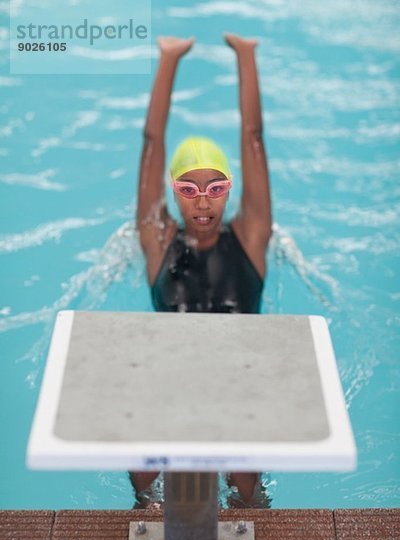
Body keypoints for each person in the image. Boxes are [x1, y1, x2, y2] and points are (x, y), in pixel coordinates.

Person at [130, 33, 272, 508]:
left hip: (239, 383)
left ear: (230, 190)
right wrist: (168, 61)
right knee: (141, 469)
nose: (204, 199)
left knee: (246, 477)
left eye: (215, 187)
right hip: (171, 379)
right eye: (189, 189)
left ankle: (251, 511)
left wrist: (246, 57)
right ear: (173, 191)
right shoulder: (158, 238)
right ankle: (144, 513)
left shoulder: (250, 237)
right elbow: (152, 143)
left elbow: (253, 138)